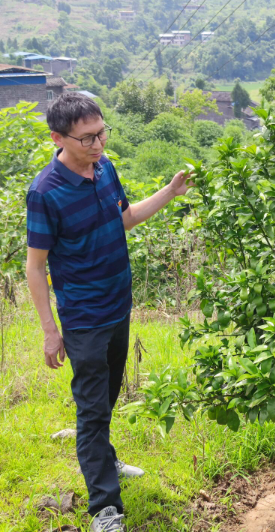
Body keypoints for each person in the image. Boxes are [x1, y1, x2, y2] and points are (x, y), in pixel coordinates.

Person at [25, 93, 193, 532]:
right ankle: (105, 507)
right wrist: (50, 331)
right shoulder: (45, 192)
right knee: (93, 410)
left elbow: (124, 218)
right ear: (58, 138)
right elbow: (36, 266)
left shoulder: (104, 169)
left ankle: (106, 459)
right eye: (87, 139)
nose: (98, 145)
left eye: (102, 133)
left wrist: (170, 193)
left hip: (119, 305)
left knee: (108, 395)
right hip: (84, 319)